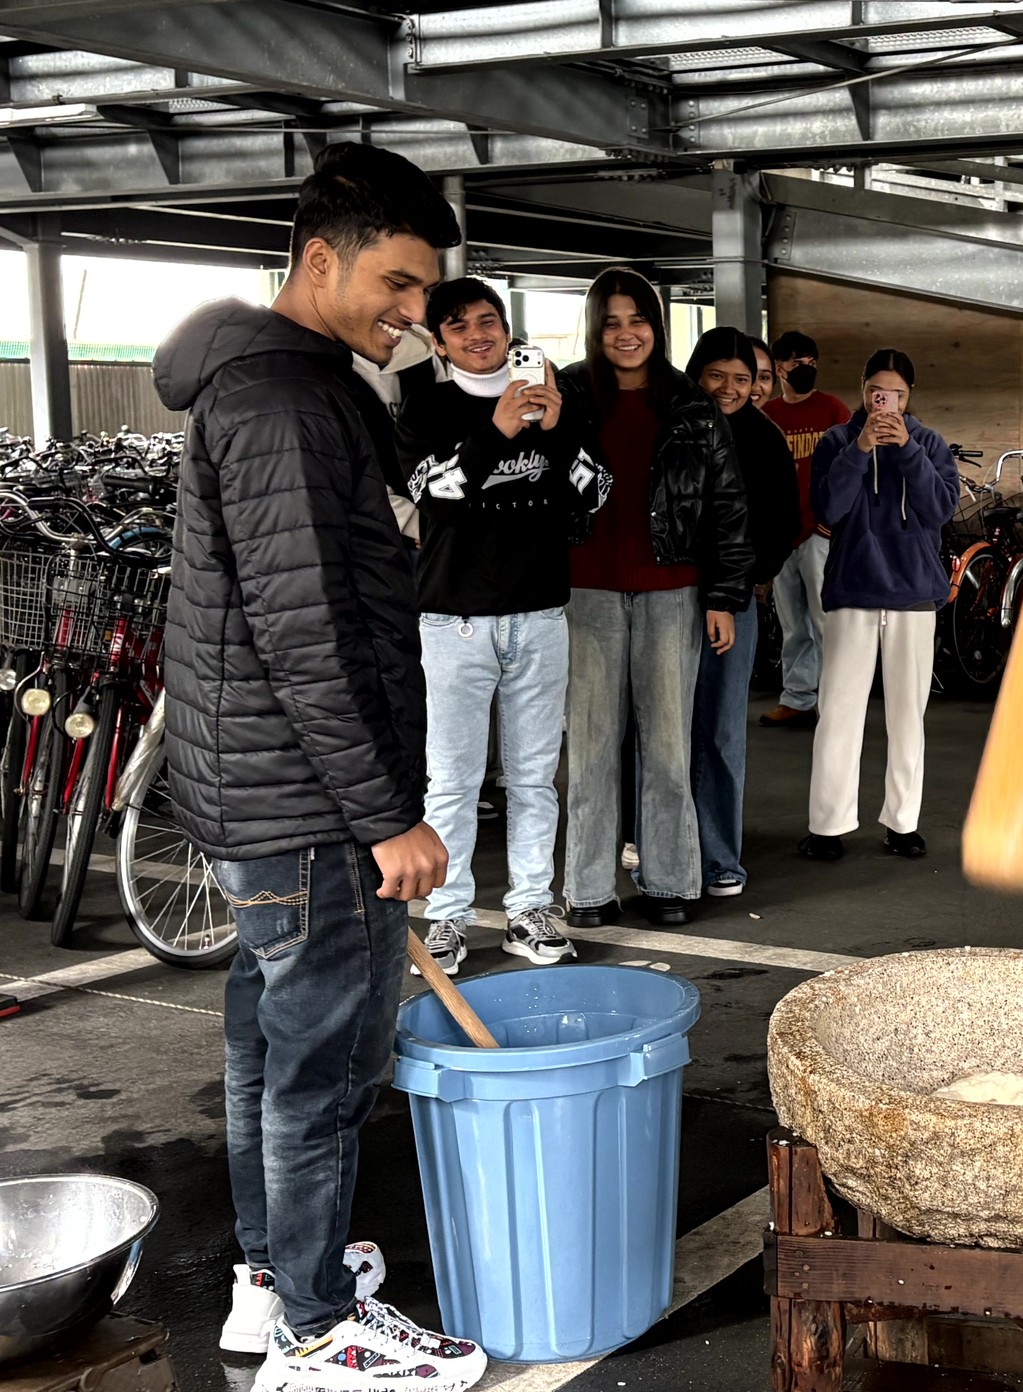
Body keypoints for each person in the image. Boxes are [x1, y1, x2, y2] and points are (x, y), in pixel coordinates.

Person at [152, 142, 487, 1391]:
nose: (415, 315)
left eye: (425, 292)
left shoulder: (284, 382)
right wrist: (387, 816)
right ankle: (313, 1327)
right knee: (328, 1060)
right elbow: (308, 638)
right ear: (317, 260)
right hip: (303, 798)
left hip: (263, 788)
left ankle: (267, 1282)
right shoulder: (285, 402)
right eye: (396, 288)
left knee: (266, 1028)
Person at [397, 277, 611, 974]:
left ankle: (529, 908)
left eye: (488, 321)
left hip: (541, 612)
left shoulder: (559, 402)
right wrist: (500, 431)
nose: (478, 335)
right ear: (438, 341)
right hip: (453, 618)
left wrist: (556, 429)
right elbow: (438, 495)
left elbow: (596, 493)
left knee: (533, 777)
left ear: (507, 327)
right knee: (452, 780)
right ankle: (447, 916)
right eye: (459, 327)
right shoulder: (425, 405)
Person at [560, 268, 751, 928]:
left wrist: (723, 596)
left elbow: (728, 507)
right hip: (583, 594)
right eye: (610, 322)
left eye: (636, 319)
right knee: (589, 750)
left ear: (656, 326)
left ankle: (670, 881)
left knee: (668, 750)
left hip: (673, 593)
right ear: (595, 329)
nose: (625, 333)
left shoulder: (690, 403)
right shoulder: (567, 394)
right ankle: (588, 890)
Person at [799, 349, 959, 862]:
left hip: (914, 592)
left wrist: (907, 448)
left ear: (909, 397)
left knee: (908, 715)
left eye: (895, 393)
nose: (883, 401)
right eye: (875, 391)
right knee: (838, 712)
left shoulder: (929, 443)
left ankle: (903, 822)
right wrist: (861, 449)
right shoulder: (837, 440)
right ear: (863, 389)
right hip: (853, 589)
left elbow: (940, 509)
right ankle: (827, 826)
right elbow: (828, 509)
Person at [689, 328, 797, 899]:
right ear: (697, 373)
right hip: (665, 599)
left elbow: (782, 524)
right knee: (658, 732)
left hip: (730, 603)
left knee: (720, 733)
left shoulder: (764, 439)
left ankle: (719, 860)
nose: (731, 389)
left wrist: (744, 581)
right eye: (718, 376)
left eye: (743, 379)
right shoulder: (674, 426)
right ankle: (662, 850)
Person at [760, 330, 850, 730]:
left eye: (811, 360)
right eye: (796, 362)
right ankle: (797, 698)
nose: (805, 368)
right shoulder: (769, 415)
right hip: (783, 534)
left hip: (819, 531)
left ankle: (837, 700)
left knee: (825, 621)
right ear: (779, 368)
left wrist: (833, 522)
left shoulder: (833, 410)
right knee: (793, 623)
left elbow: (852, 469)